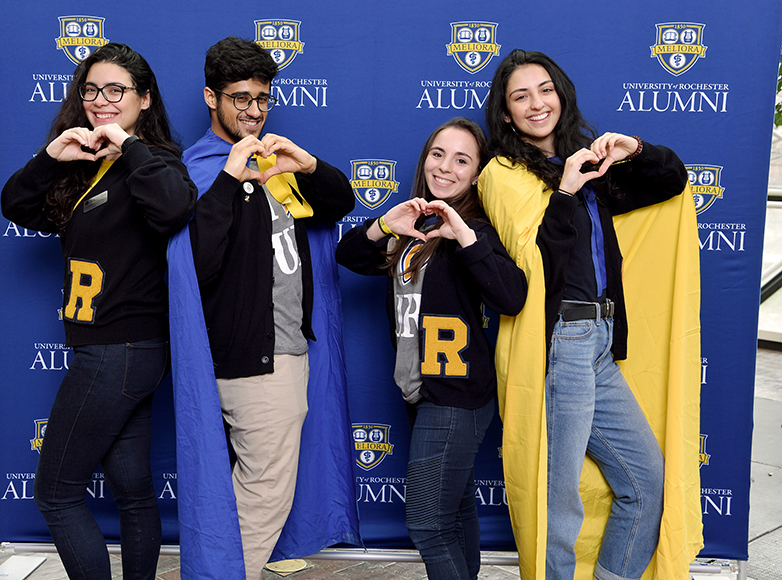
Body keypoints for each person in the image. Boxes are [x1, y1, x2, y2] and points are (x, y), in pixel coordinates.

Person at [477, 49, 701, 580]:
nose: (537, 103)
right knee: (559, 506)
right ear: (506, 114)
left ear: (562, 94)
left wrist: (635, 150)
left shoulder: (584, 162)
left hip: (600, 340)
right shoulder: (500, 174)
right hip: (562, 341)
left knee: (645, 482)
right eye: (520, 96)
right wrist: (569, 191)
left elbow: (671, 181)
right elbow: (539, 261)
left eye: (545, 89)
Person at [0, 43, 197, 580]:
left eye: (116, 91)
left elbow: (176, 207)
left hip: (119, 350)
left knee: (56, 495)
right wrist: (51, 156)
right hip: (114, 349)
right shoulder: (82, 166)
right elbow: (16, 204)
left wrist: (129, 146)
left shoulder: (155, 163)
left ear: (145, 100)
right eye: (91, 90)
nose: (100, 101)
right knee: (132, 490)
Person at [171, 36, 356, 580]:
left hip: (283, 348)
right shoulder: (200, 169)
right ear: (211, 98)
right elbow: (196, 261)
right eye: (240, 98)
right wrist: (233, 179)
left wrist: (307, 164)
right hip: (252, 354)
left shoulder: (276, 162)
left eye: (262, 98)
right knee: (262, 494)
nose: (253, 111)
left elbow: (339, 202)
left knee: (250, 487)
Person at [336, 117, 527, 580]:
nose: (445, 167)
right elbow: (350, 256)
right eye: (438, 154)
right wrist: (385, 223)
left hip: (456, 396)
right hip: (422, 393)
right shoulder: (414, 224)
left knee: (425, 524)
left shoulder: (474, 229)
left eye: (462, 160)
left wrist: (464, 235)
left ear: (477, 173)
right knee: (456, 514)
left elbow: (512, 296)